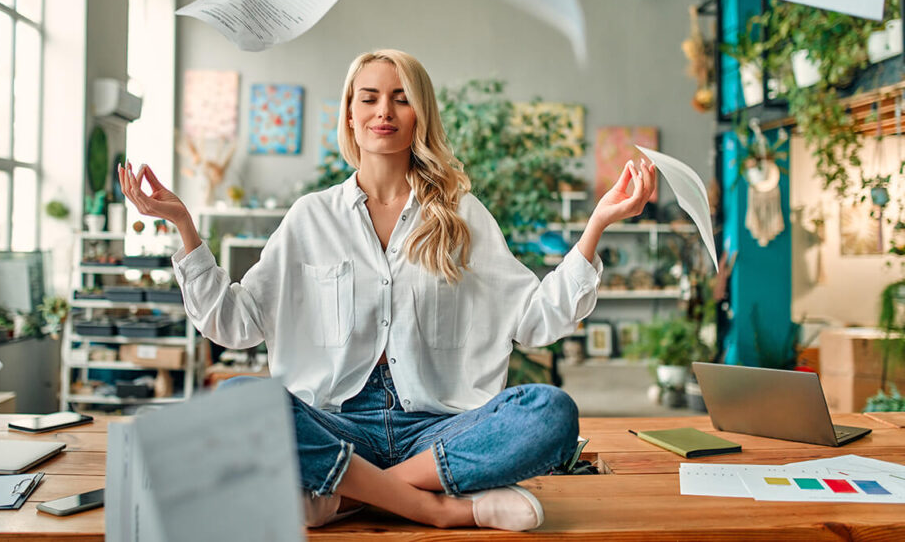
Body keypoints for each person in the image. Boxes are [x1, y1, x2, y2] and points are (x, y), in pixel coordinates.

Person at [118, 49, 656, 532]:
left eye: (401, 99)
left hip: (440, 429)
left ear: (420, 114)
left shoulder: (461, 216)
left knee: (550, 412)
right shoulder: (310, 218)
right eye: (369, 97)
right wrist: (185, 227)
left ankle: (350, 496)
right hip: (337, 423)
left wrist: (596, 226)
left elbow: (536, 321)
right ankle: (435, 507)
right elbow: (233, 325)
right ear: (350, 113)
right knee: (238, 400)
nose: (384, 111)